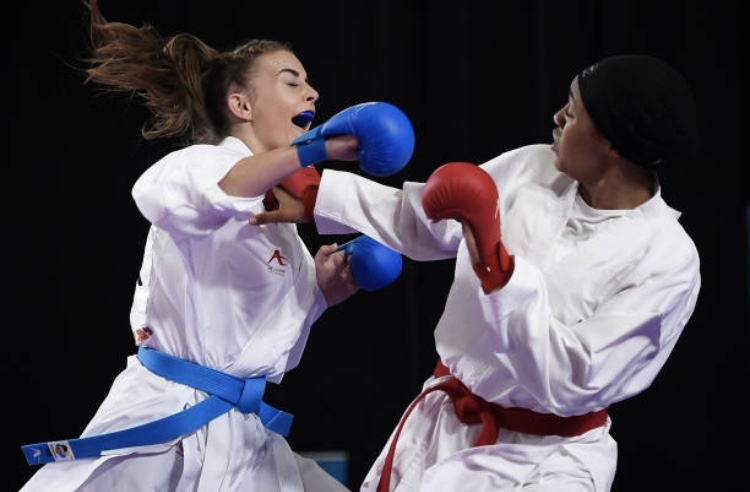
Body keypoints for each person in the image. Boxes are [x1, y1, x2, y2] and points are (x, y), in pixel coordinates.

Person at [251, 54, 701, 491]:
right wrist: (319, 197)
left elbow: (575, 378)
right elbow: (426, 219)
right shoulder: (533, 168)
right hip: (442, 427)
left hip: (546, 462)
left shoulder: (666, 259)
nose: (558, 117)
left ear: (613, 142)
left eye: (574, 110)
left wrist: (498, 268)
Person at [19, 1, 412, 491]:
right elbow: (187, 192)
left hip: (242, 437)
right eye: (292, 81)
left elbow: (250, 334)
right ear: (241, 106)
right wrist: (317, 148)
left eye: (308, 83)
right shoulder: (199, 165)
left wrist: (319, 292)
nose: (312, 92)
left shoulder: (282, 222)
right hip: (166, 422)